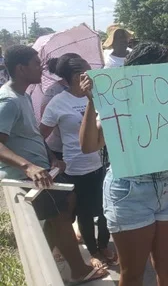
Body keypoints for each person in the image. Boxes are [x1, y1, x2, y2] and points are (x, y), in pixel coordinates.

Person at [0, 45, 108, 283]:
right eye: (37, 63)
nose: (42, 67)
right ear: (21, 68)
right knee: (59, 215)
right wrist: (27, 166)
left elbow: (33, 136)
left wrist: (51, 158)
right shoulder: (8, 101)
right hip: (26, 176)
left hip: (44, 170)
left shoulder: (24, 96)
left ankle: (46, 260)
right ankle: (79, 270)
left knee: (63, 207)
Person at [79, 43, 168, 286]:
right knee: (133, 274)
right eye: (166, 65)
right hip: (129, 192)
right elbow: (89, 146)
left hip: (166, 190)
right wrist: (93, 102)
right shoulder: (117, 98)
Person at [39, 54, 117, 265]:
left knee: (104, 211)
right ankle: (93, 252)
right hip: (75, 168)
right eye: (87, 71)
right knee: (83, 213)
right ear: (76, 77)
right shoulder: (58, 103)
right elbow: (40, 136)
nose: (92, 74)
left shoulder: (99, 95)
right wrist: (53, 158)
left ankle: (103, 245)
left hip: (102, 164)